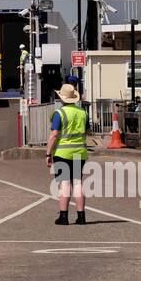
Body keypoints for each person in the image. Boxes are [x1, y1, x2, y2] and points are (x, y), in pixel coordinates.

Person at [45, 83, 89, 226]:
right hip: (80, 152)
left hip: (63, 152)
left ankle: (63, 216)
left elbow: (54, 135)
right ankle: (81, 216)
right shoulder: (83, 113)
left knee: (64, 183)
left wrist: (48, 154)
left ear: (62, 98)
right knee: (78, 182)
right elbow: (86, 132)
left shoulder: (60, 113)